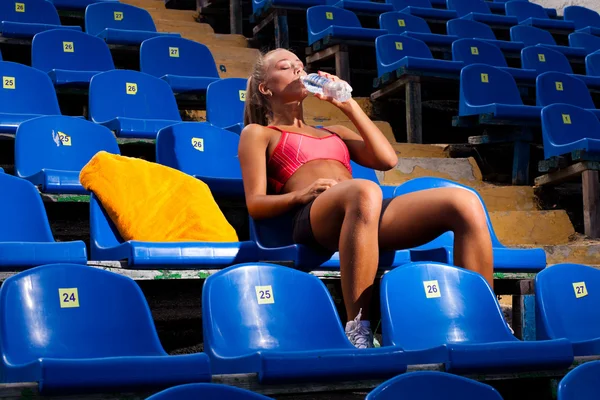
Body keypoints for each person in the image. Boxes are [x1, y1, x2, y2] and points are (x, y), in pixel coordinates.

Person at [238, 49, 493, 349]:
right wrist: (300, 195)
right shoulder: (258, 133)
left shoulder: (334, 132)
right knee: (364, 190)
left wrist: (348, 105)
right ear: (265, 88)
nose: (298, 70)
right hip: (314, 215)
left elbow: (387, 160)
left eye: (300, 65)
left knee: (464, 201)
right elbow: (255, 204)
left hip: (362, 213)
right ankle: (357, 327)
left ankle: (483, 318)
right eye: (286, 67)